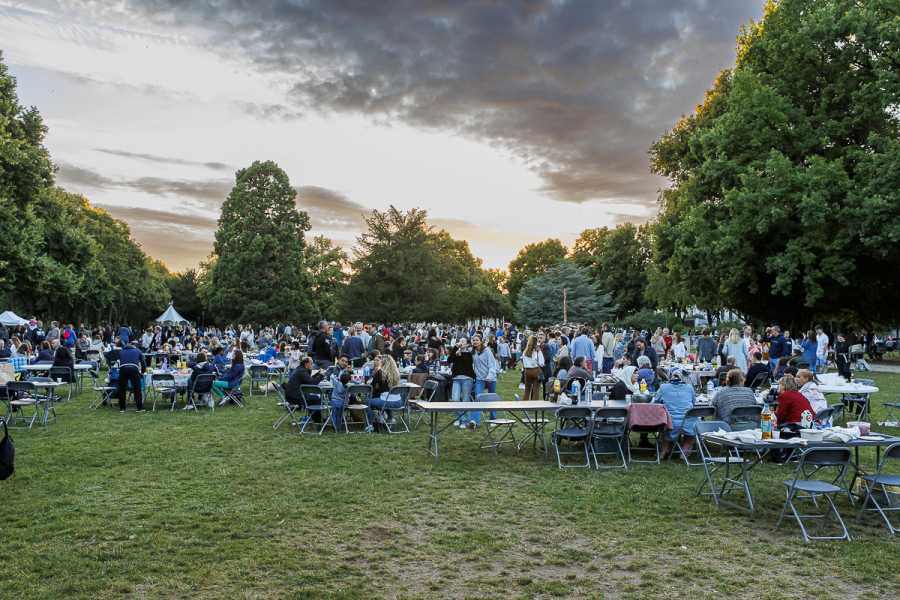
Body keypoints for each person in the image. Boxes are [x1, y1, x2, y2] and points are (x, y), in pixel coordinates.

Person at [654, 370, 699, 457]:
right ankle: (685, 452)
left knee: (667, 422)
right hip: (688, 421)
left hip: (670, 422)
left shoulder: (663, 387)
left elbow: (656, 402)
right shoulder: (689, 388)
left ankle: (664, 451)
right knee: (692, 425)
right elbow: (693, 403)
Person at [366, 355, 403, 430]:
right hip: (398, 401)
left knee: (368, 403)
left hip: (387, 400)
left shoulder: (381, 372)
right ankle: (391, 418)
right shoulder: (396, 373)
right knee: (386, 399)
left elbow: (372, 385)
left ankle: (372, 424)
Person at [447, 337, 478, 428]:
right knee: (455, 399)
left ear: (467, 344)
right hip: (456, 379)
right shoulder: (456, 353)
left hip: (467, 379)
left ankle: (465, 421)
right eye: (460, 341)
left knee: (465, 400)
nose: (461, 342)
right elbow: (449, 360)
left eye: (463, 341)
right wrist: (455, 349)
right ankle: (458, 418)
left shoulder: (470, 354)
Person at [285, 356, 325, 423]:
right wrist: (321, 376)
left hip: (293, 394)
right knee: (316, 399)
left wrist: (317, 374)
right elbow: (313, 383)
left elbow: (309, 380)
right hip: (294, 396)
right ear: (306, 365)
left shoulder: (301, 370)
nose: (313, 365)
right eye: (311, 364)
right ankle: (318, 419)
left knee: (313, 399)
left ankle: (314, 418)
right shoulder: (302, 371)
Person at [471, 334, 499, 425]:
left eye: (477, 340)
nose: (475, 342)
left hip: (491, 377)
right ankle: (474, 421)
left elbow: (492, 365)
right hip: (479, 378)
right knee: (477, 398)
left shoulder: (487, 351)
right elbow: (462, 348)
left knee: (492, 398)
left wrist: (489, 376)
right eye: (473, 340)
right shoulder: (473, 351)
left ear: (481, 341)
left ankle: (493, 419)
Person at [117, 340, 148, 413]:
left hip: (123, 369)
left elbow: (120, 361)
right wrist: (142, 372)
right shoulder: (138, 351)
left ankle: (122, 408)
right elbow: (144, 364)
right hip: (134, 369)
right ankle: (139, 407)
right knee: (137, 388)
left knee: (122, 389)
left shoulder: (121, 351)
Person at [521, 335, 544, 401]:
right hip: (535, 370)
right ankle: (535, 403)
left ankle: (525, 402)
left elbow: (523, 361)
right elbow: (541, 362)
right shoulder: (537, 351)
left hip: (527, 370)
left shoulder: (525, 351)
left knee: (527, 389)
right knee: (536, 389)